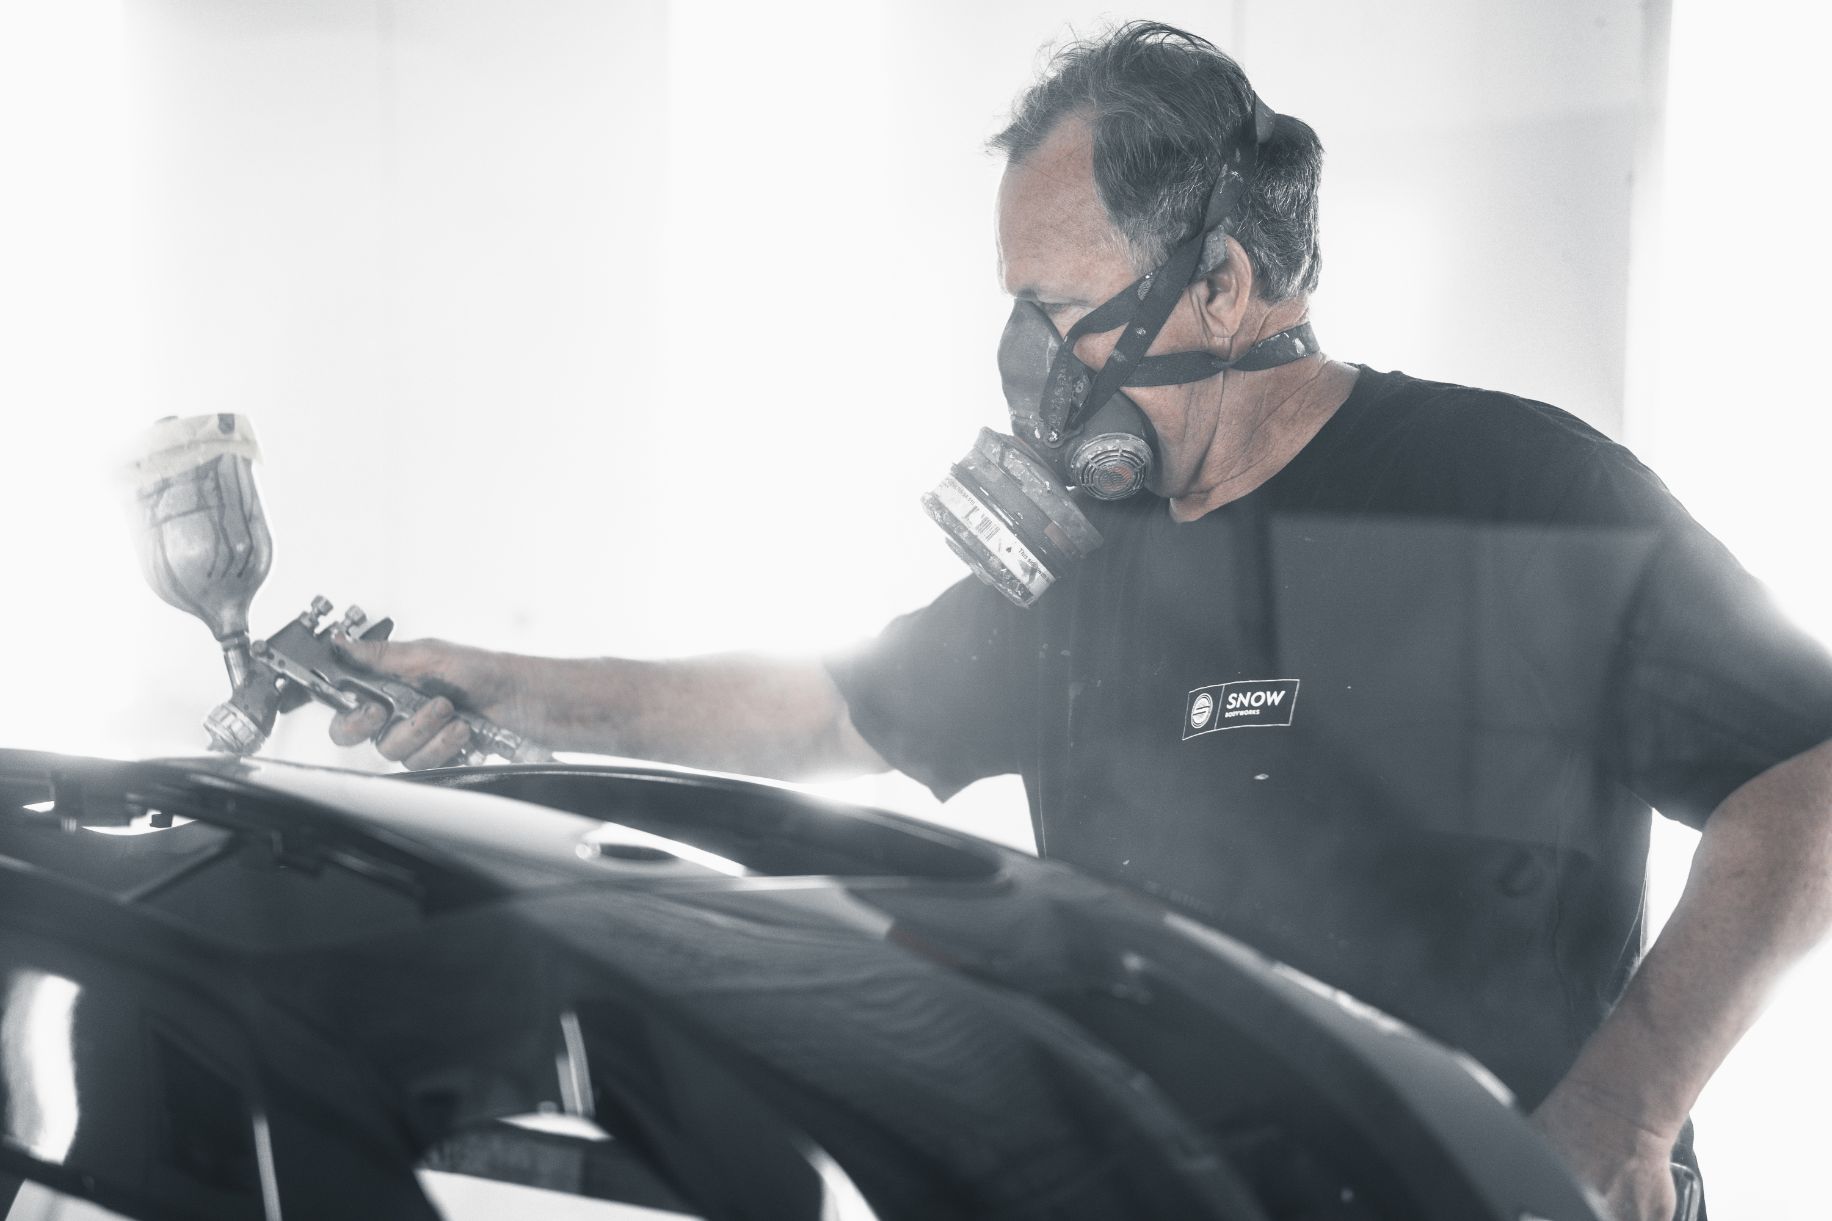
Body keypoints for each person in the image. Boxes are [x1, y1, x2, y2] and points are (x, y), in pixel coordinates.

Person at [329, 23, 1832, 1221]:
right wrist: (496, 684)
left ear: (1229, 284)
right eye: (1013, 311)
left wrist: (1631, 1103)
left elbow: (1809, 776)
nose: (1027, 364)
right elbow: (824, 710)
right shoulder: (1078, 564)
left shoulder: (1524, 495)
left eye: (1060, 312)